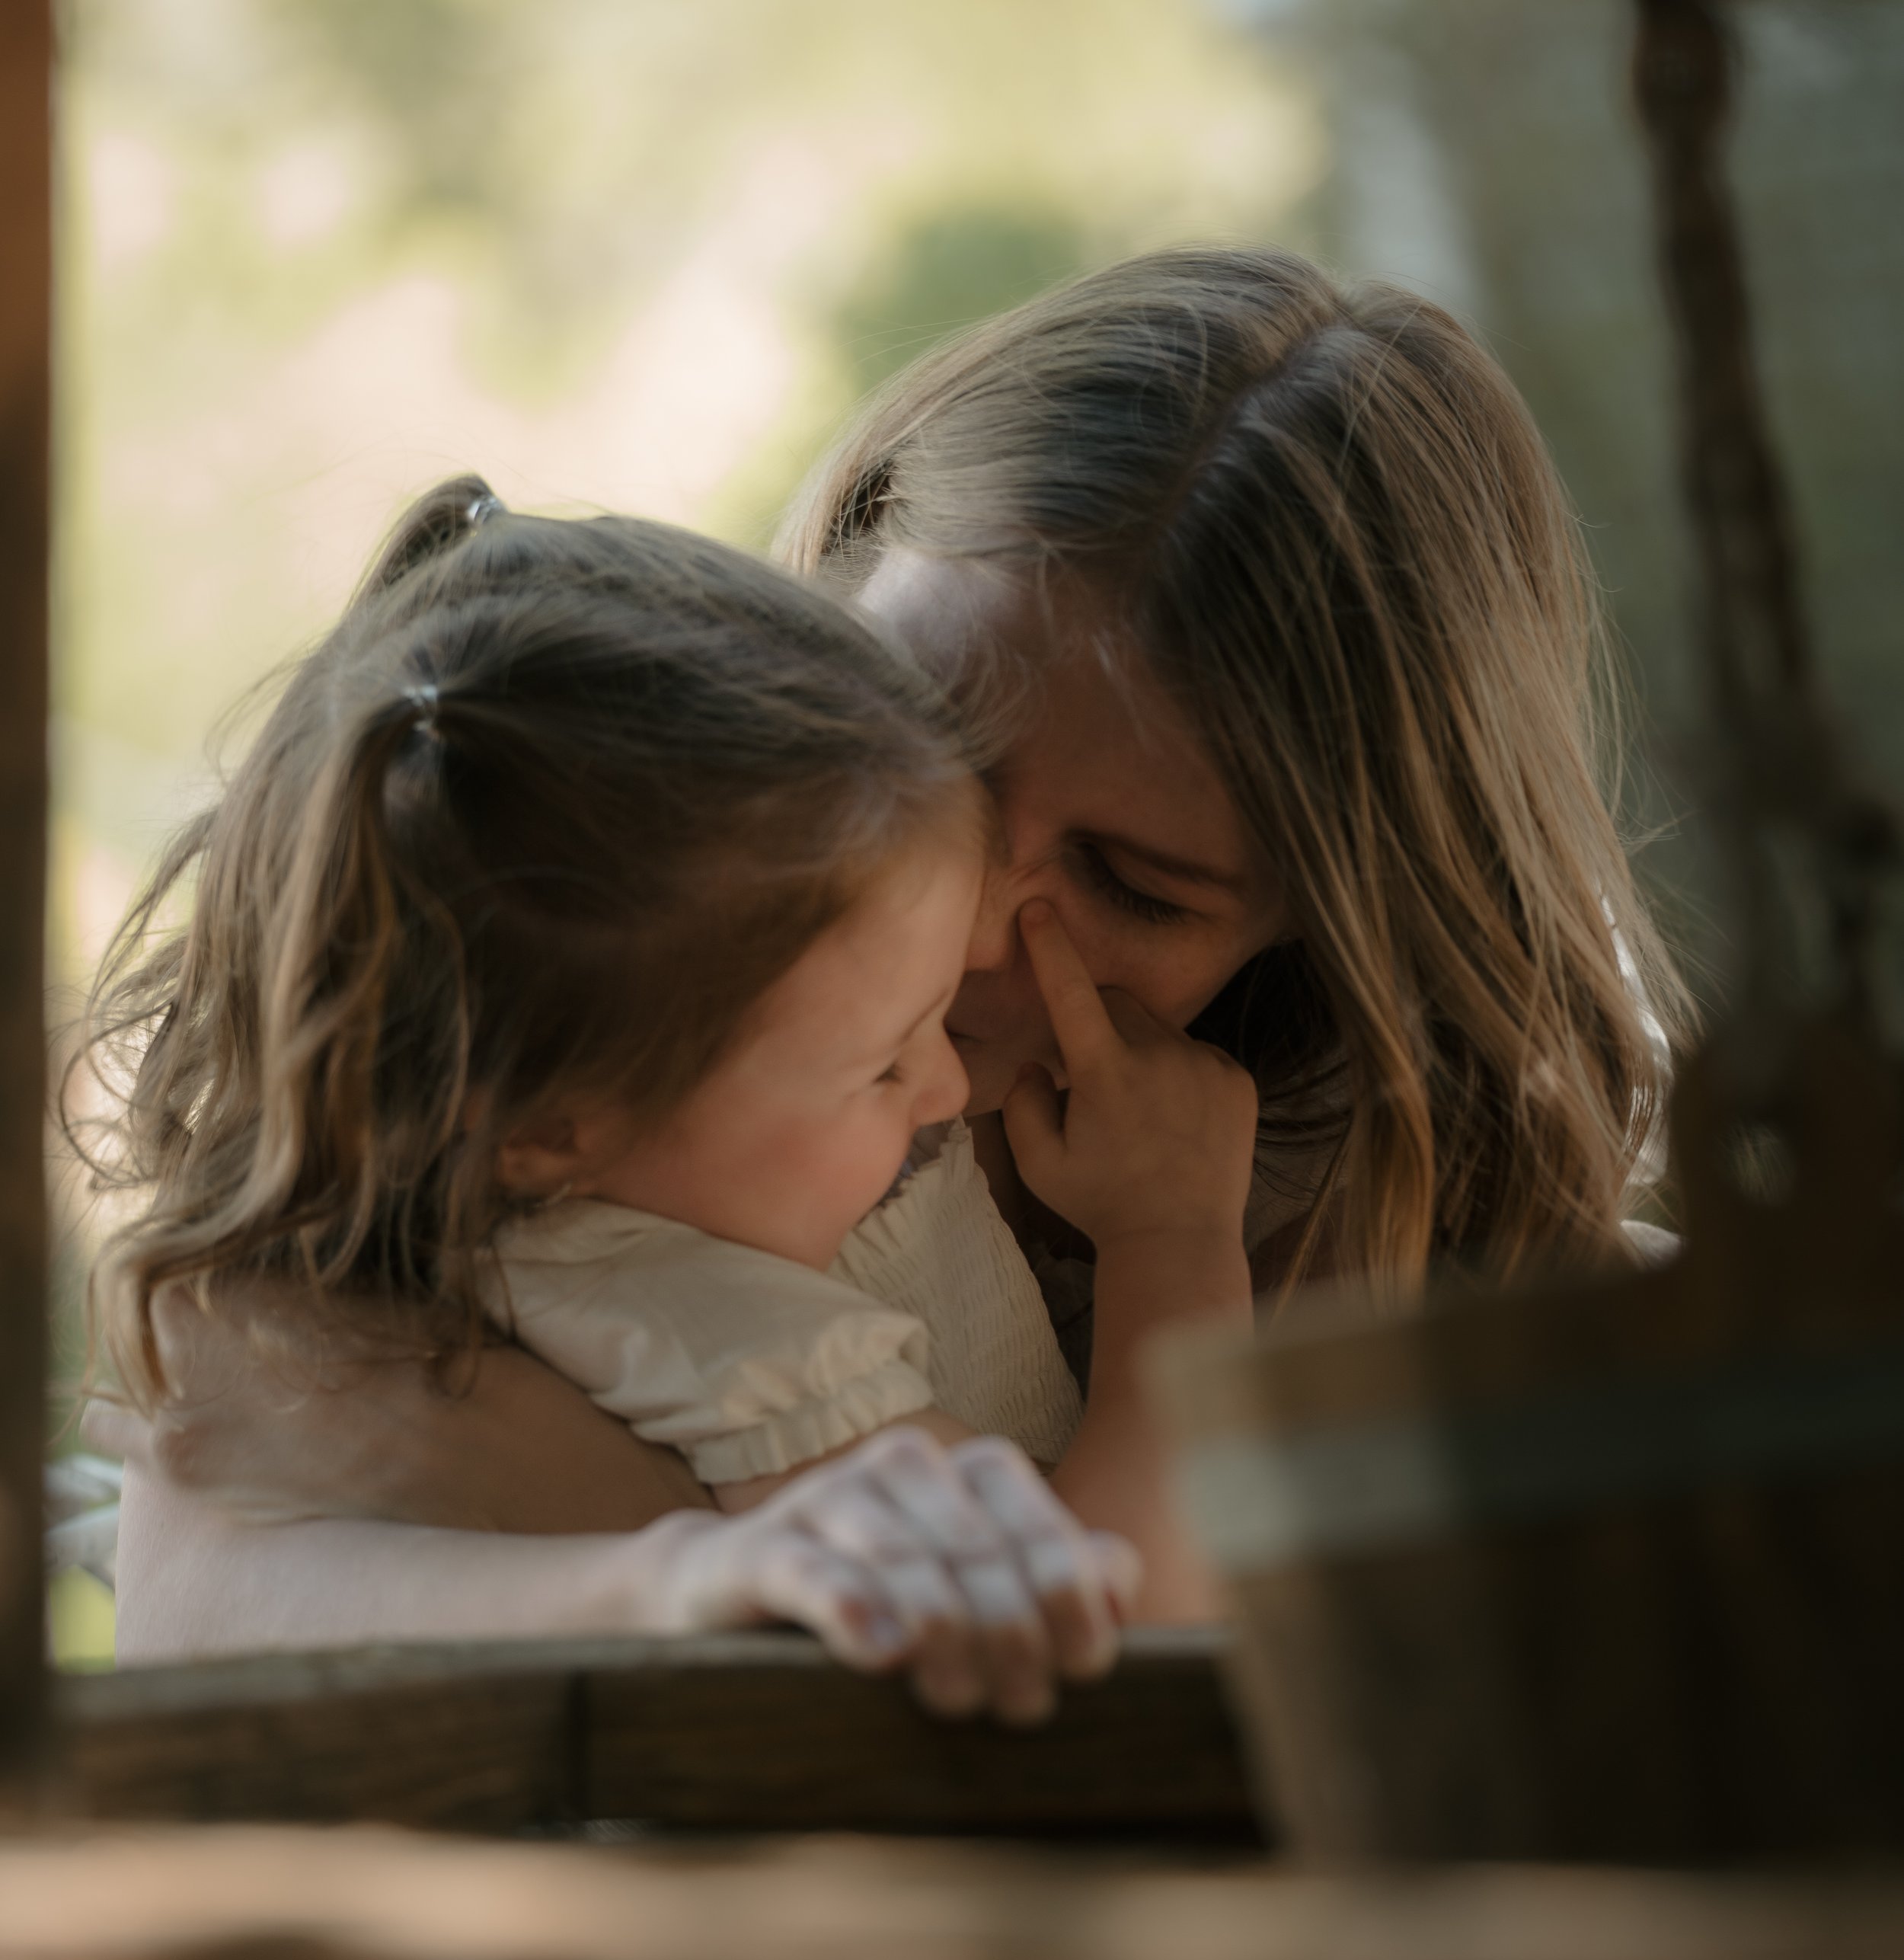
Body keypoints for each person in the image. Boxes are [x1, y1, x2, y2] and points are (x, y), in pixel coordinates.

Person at [93, 248, 1689, 1675]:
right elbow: (200, 1563)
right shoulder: (581, 1031)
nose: (973, 933)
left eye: (1129, 885)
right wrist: (685, 1584)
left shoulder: (1474, 1291)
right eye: (938, 763)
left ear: (1342, 930)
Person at [78, 481, 1200, 1720]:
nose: (941, 1084)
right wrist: (1175, 1243)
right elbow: (1123, 1627)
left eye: (1133, 880)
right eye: (885, 1061)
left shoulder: (394, 1222)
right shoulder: (701, 1314)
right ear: (546, 1126)